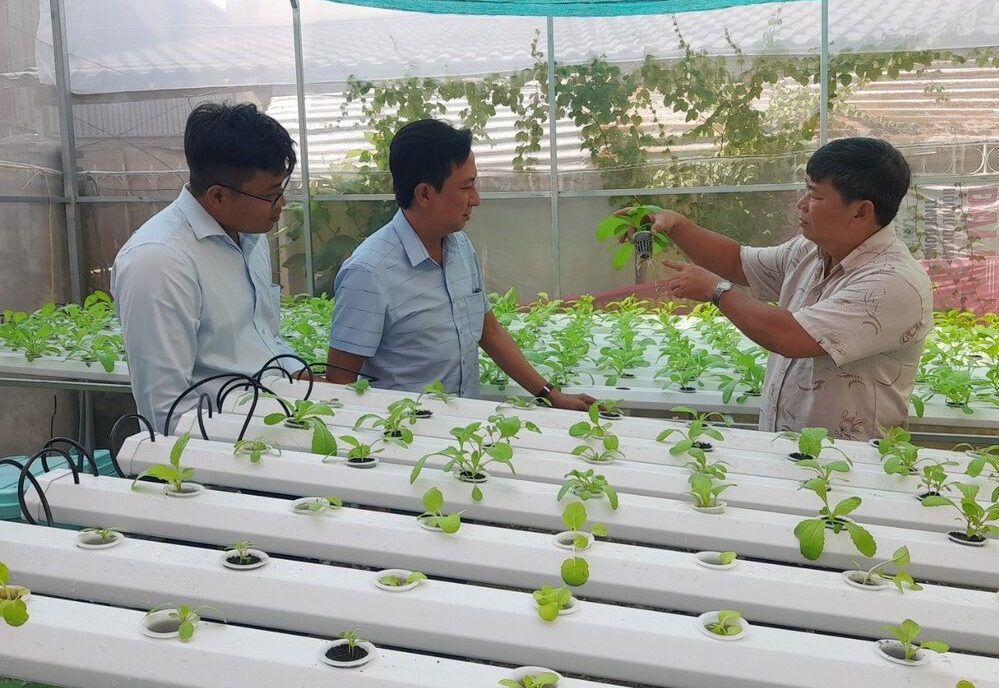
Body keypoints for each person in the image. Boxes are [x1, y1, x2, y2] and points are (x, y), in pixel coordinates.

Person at [644, 137, 931, 440]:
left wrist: (716, 291)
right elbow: (738, 262)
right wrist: (676, 226)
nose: (801, 204)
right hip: (786, 449)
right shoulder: (809, 249)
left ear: (860, 212)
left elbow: (791, 336)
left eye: (815, 195)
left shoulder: (894, 283)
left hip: (847, 459)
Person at [325, 119, 594, 411]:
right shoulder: (368, 273)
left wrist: (551, 395)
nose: (476, 200)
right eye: (466, 187)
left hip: (464, 428)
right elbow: (340, 385)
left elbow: (489, 332)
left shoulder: (460, 247)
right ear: (424, 194)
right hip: (406, 431)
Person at [112, 101, 301, 434]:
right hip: (227, 444)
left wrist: (298, 375)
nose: (281, 203)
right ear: (218, 196)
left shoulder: (250, 238)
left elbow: (265, 338)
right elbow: (166, 411)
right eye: (272, 194)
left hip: (276, 417)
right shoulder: (159, 262)